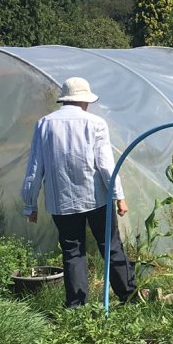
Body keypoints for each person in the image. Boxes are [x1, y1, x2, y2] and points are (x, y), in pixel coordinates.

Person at [20, 77, 137, 307]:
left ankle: (76, 306)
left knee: (72, 252)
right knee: (111, 246)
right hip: (96, 199)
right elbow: (106, 166)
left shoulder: (45, 124)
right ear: (84, 101)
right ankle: (128, 296)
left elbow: (35, 167)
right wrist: (119, 196)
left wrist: (30, 204)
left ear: (65, 100)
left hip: (61, 201)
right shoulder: (95, 123)